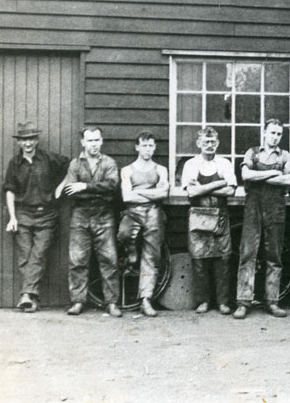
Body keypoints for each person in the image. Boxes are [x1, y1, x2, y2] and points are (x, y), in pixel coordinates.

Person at [2, 120, 70, 313]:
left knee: (38, 254)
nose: (28, 143)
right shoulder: (14, 164)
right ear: (19, 142)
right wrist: (13, 217)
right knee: (25, 257)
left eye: (31, 139)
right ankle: (31, 298)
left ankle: (26, 295)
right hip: (23, 214)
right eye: (24, 140)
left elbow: (72, 165)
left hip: (47, 215)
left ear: (37, 140)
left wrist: (61, 186)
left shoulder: (49, 158)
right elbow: (9, 191)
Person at [57, 126, 122, 317]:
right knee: (77, 260)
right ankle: (78, 301)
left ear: (101, 141)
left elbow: (111, 186)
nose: (93, 144)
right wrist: (93, 190)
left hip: (104, 214)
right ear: (83, 143)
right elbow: (70, 188)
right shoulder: (75, 164)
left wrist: (85, 186)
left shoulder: (109, 163)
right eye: (90, 141)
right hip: (80, 214)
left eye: (96, 140)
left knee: (109, 260)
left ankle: (111, 303)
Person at [235, 119, 290, 320]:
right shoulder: (252, 152)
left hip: (276, 208)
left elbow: (289, 179)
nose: (275, 137)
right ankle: (243, 302)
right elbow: (245, 175)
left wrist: (259, 175)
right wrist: (272, 173)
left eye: (279, 134)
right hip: (253, 207)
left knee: (274, 255)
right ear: (265, 133)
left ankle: (272, 301)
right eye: (272, 133)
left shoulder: (285, 155)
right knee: (248, 253)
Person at [181, 126, 237, 315]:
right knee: (199, 259)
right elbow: (191, 192)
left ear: (218, 143)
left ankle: (223, 302)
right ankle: (203, 301)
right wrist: (219, 183)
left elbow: (231, 190)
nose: (210, 145)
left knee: (222, 259)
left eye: (213, 142)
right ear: (199, 144)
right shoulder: (190, 165)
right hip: (198, 216)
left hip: (220, 215)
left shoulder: (224, 164)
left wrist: (204, 187)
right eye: (206, 142)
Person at [118, 131, 169, 318]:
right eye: (144, 145)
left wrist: (139, 193)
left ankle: (145, 300)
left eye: (151, 146)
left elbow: (163, 194)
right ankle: (131, 253)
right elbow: (126, 196)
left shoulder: (160, 170)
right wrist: (151, 192)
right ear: (137, 147)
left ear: (154, 147)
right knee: (123, 234)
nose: (148, 149)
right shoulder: (127, 170)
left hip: (154, 212)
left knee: (151, 256)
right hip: (132, 212)